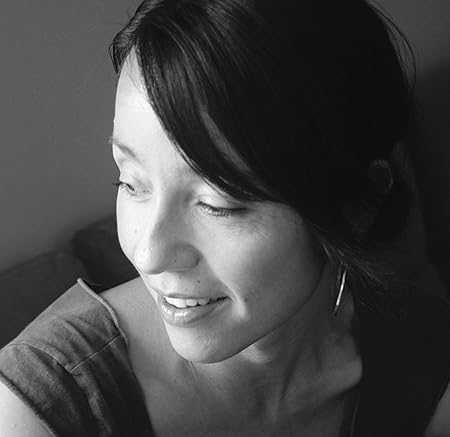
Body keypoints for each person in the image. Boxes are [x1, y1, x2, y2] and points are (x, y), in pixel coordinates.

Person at [0, 0, 449, 435]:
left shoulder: (427, 359)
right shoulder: (43, 406)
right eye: (131, 182)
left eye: (219, 203)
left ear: (358, 206)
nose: (149, 254)